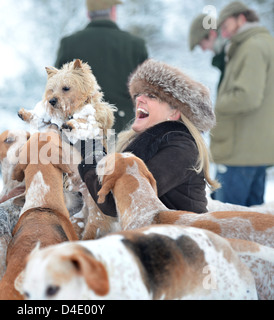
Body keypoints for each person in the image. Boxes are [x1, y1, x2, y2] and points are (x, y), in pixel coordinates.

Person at [78, 59, 219, 215]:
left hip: (178, 237)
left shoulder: (180, 149)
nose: (139, 99)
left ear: (174, 113)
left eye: (151, 96)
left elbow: (115, 202)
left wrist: (91, 153)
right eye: (138, 94)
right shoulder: (145, 142)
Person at [210, 1, 274, 206]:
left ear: (242, 18)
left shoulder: (252, 46)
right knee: (251, 224)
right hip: (253, 149)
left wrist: (215, 107)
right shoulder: (261, 43)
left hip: (239, 151)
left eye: (226, 26)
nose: (225, 32)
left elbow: (247, 96)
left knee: (227, 222)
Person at [55, 0, 148, 135]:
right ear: (113, 11)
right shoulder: (135, 45)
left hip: (80, 130)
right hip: (123, 130)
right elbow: (146, 93)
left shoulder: (69, 44)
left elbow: (56, 92)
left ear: (88, 14)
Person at [189, 13, 227, 90]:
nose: (203, 49)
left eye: (201, 44)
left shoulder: (233, 55)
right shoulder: (226, 58)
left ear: (212, 34)